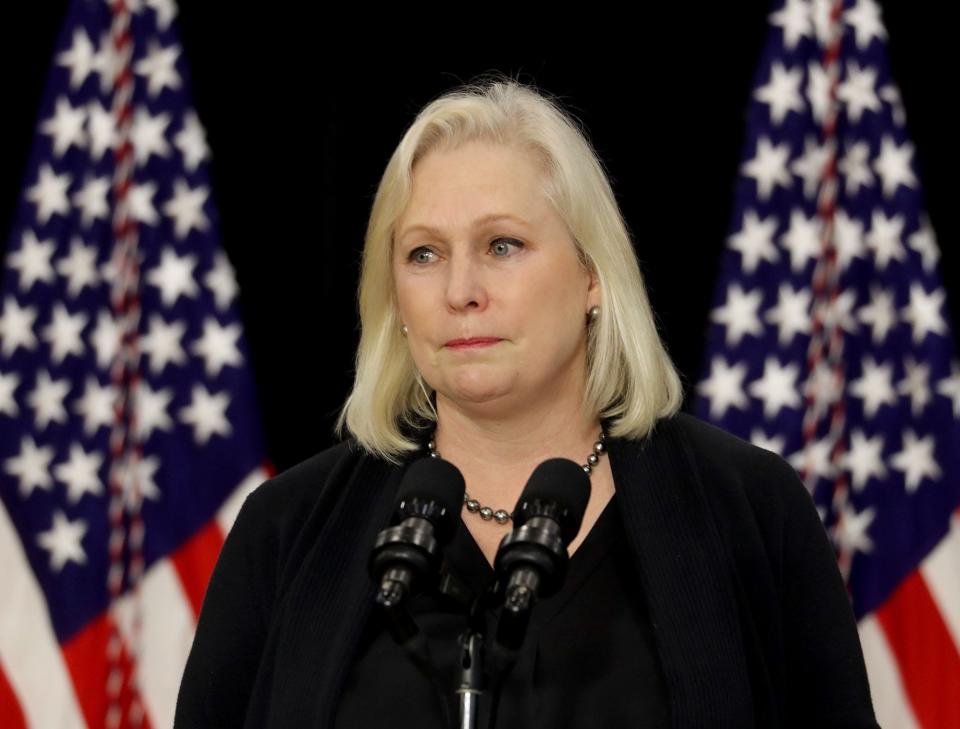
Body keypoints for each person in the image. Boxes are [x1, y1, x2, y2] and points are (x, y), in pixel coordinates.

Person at [174, 76, 880, 728]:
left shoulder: (749, 510)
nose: (460, 290)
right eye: (423, 253)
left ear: (593, 274)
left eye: (502, 244)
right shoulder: (288, 530)